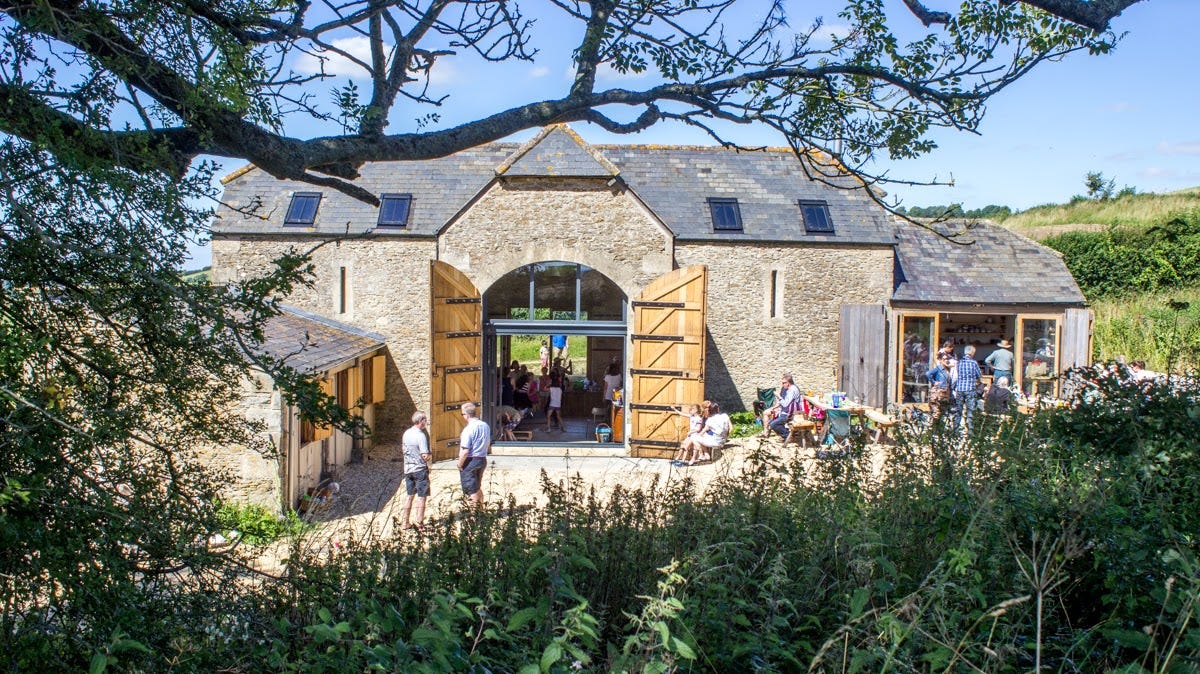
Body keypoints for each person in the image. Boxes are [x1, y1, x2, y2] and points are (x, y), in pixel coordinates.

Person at [400, 411, 432, 531]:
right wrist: (430, 455)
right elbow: (424, 455)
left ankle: (405, 522)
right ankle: (420, 523)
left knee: (409, 495)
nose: (426, 422)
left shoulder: (406, 433)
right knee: (421, 496)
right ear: (420, 421)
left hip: (408, 468)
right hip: (419, 469)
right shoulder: (421, 435)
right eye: (425, 420)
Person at [457, 402, 490, 508]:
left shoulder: (468, 429)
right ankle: (481, 511)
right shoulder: (485, 425)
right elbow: (488, 442)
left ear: (466, 415)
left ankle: (474, 514)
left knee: (472, 490)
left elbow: (465, 451)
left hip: (470, 460)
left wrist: (460, 464)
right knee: (477, 487)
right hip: (482, 458)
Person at [678, 401, 731, 465]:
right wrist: (725, 437)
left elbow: (702, 432)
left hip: (716, 443)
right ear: (718, 409)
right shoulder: (725, 416)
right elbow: (731, 429)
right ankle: (705, 454)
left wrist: (694, 435)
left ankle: (700, 455)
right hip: (723, 441)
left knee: (694, 437)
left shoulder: (710, 420)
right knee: (701, 437)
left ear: (709, 410)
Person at [953, 344, 983, 431]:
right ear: (972, 353)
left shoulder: (959, 362)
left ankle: (955, 429)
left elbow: (956, 374)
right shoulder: (974, 363)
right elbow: (979, 375)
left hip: (960, 388)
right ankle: (970, 430)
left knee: (958, 410)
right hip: (970, 388)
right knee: (970, 410)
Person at [766, 374, 801, 440]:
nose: (782, 385)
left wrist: (778, 396)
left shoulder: (792, 390)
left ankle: (788, 436)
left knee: (773, 424)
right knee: (771, 422)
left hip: (790, 413)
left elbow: (785, 404)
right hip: (786, 412)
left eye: (784, 383)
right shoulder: (788, 389)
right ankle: (787, 435)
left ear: (788, 383)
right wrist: (776, 408)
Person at [926, 352, 953, 420]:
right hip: (938, 392)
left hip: (945, 394)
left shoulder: (947, 369)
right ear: (940, 360)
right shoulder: (938, 369)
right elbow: (928, 373)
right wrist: (933, 382)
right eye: (944, 359)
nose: (946, 360)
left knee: (943, 413)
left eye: (947, 359)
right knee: (936, 413)